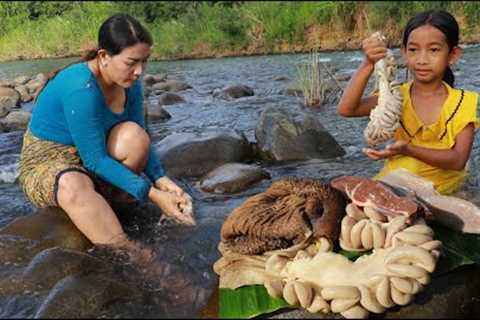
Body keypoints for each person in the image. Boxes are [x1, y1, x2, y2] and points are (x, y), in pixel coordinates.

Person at [18, 13, 195, 258]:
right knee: (73, 185)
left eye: (145, 61)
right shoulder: (80, 87)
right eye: (131, 62)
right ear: (104, 56)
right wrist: (153, 195)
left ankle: (112, 204)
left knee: (135, 137)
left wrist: (162, 180)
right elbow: (94, 160)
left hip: (95, 149)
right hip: (49, 159)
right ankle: (132, 253)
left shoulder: (129, 85)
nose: (139, 71)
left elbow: (139, 135)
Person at [337, 10, 479, 195]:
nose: (422, 60)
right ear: (403, 53)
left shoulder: (464, 102)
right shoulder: (395, 96)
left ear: (453, 55)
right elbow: (347, 109)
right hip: (394, 184)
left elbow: (458, 160)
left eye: (434, 50)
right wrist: (368, 64)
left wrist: (408, 149)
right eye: (413, 50)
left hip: (440, 190)